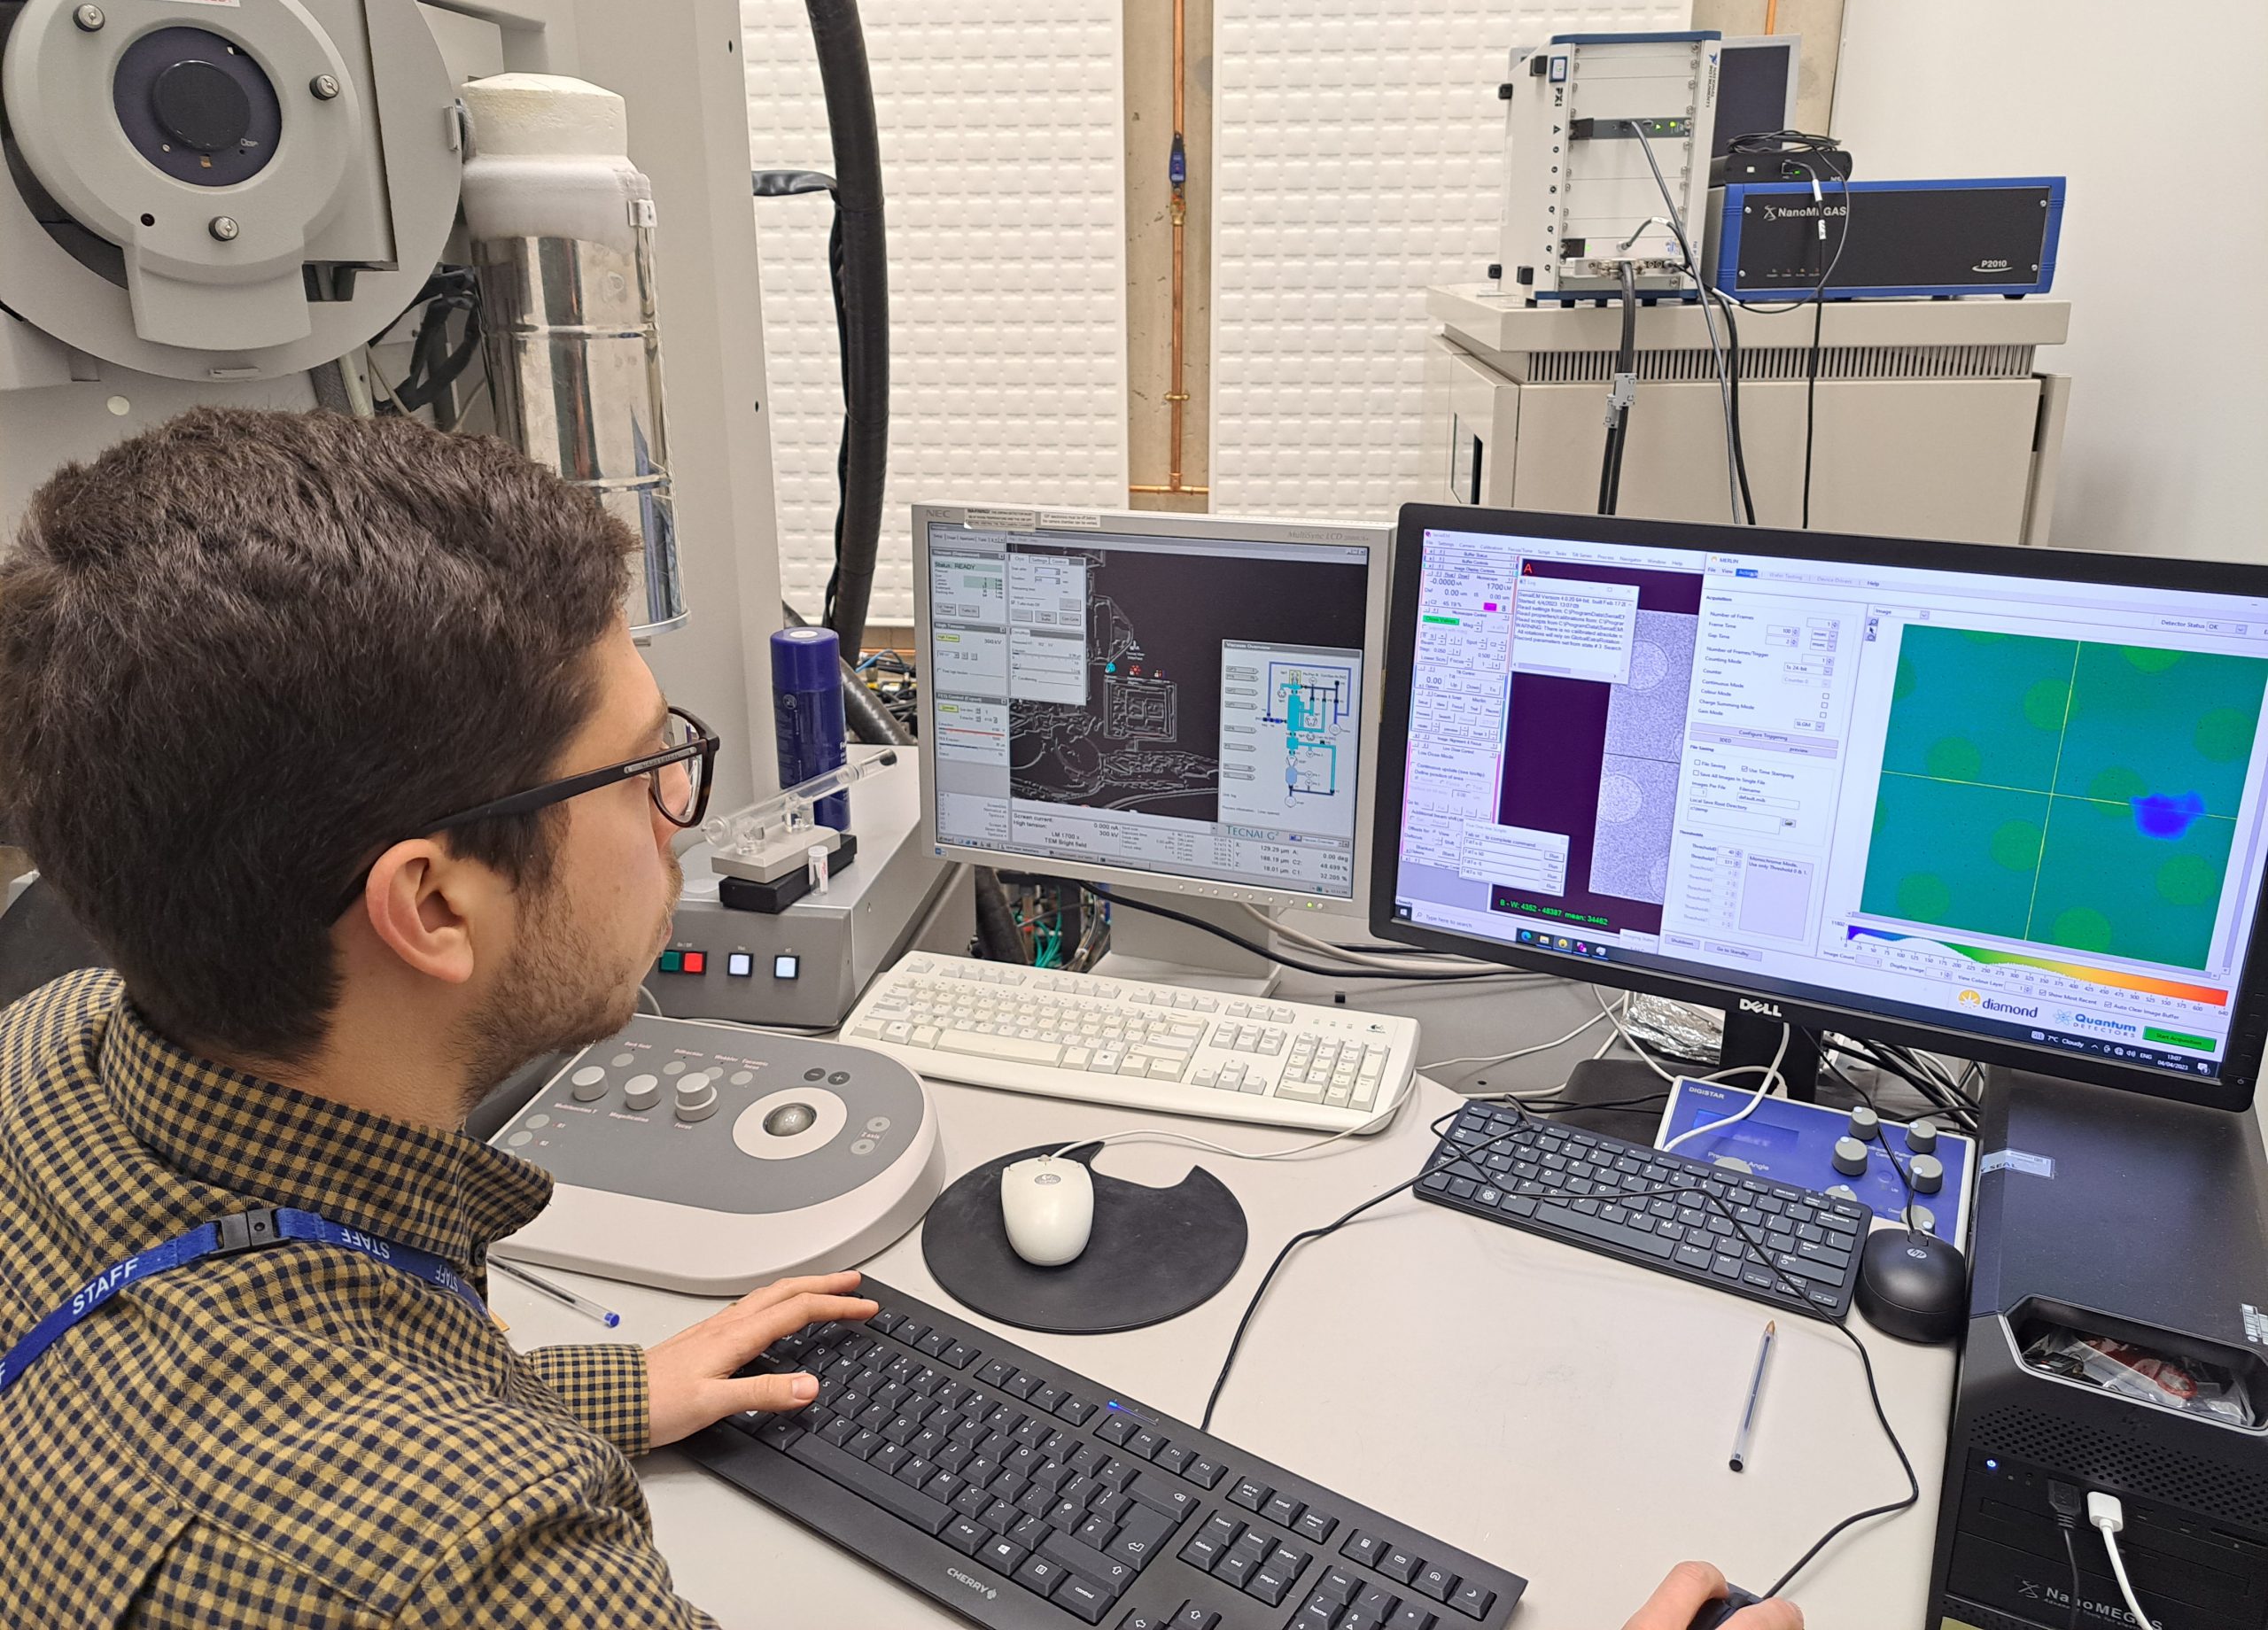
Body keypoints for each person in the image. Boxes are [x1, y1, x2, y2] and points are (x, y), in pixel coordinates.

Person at [0, 407, 1796, 1628]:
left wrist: (596, 1389)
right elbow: (370, 1498)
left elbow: (304, 1398)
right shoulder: (467, 1564)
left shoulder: (59, 1058)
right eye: (643, 773)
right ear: (432, 906)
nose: (672, 822)